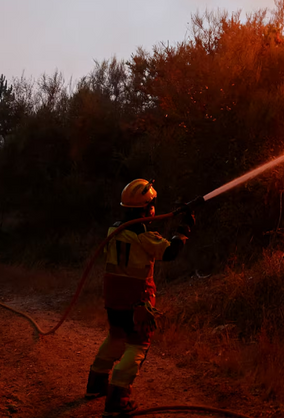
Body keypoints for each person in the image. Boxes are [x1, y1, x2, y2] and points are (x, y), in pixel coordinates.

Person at [84, 178, 195, 416]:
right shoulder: (144, 236)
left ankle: (96, 384)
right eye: (152, 205)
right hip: (136, 300)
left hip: (113, 297)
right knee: (137, 346)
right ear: (147, 208)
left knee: (116, 337)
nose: (154, 209)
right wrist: (184, 229)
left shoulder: (114, 230)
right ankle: (117, 399)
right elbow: (170, 252)